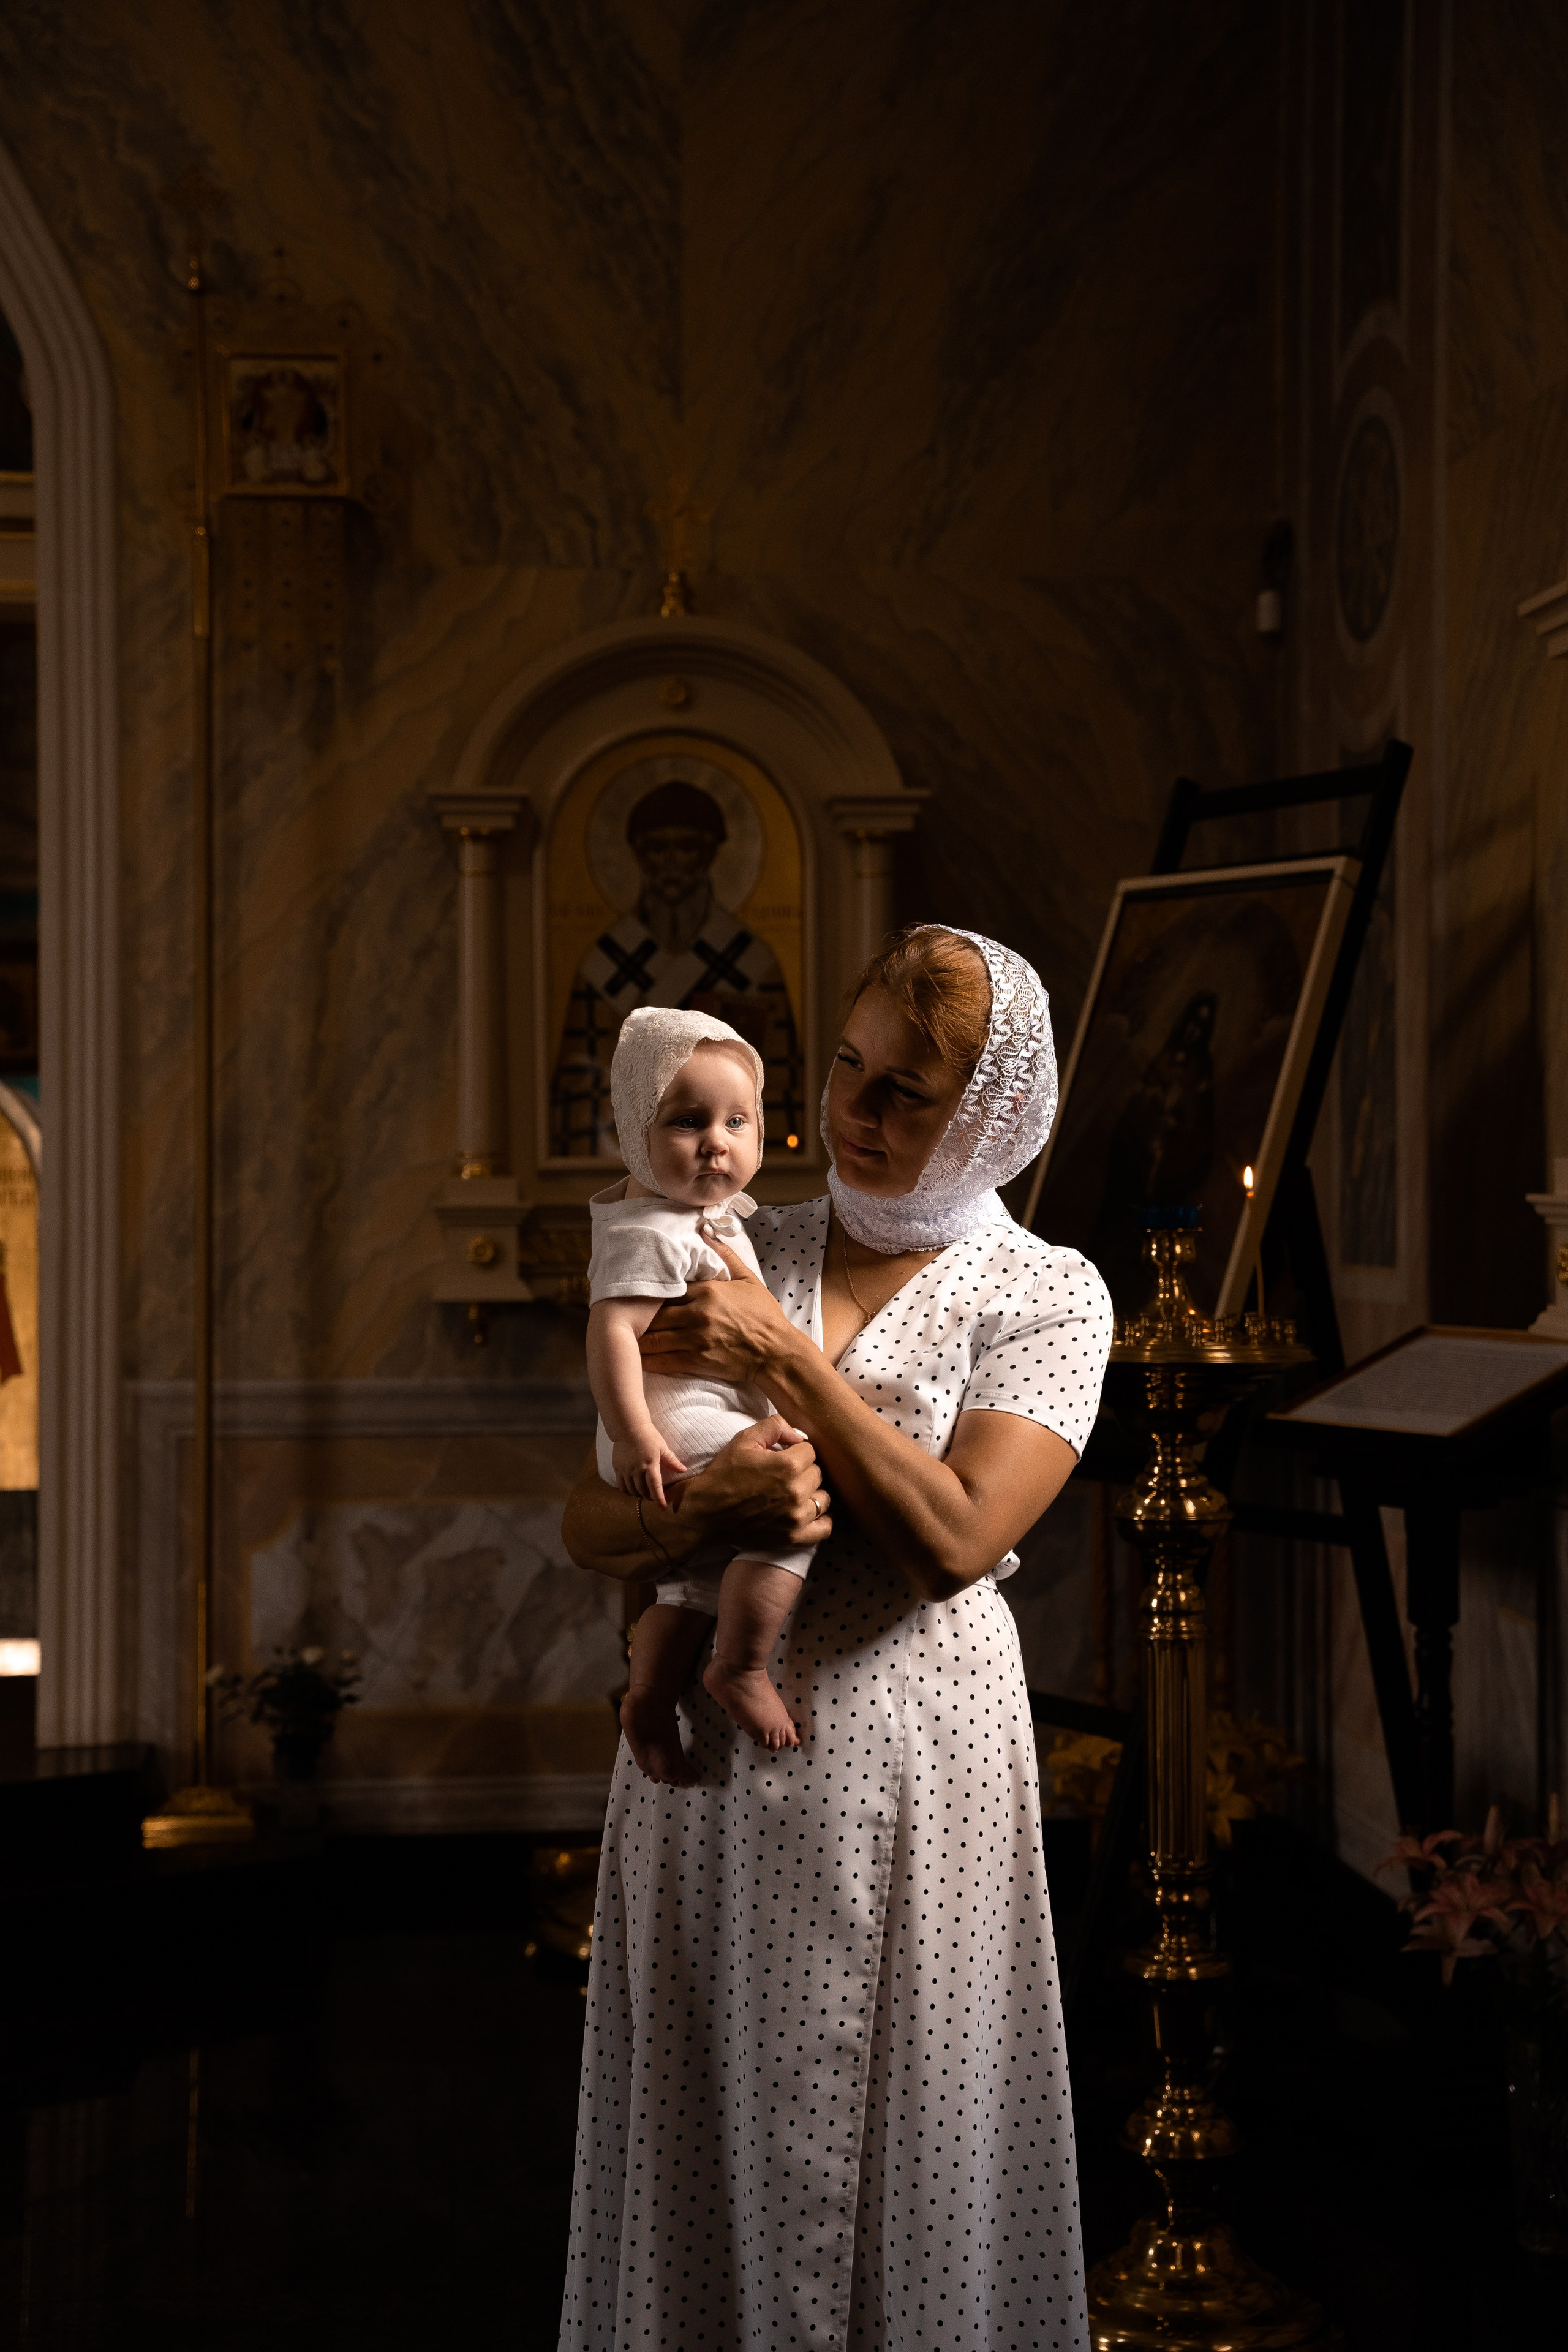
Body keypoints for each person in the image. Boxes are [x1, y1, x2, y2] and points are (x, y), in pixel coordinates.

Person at [557, 923, 1114, 2352]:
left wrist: (785, 1363)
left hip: (920, 1764)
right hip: (710, 1779)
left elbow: (953, 1538)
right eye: (848, 1070)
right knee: (706, 2132)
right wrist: (683, 1537)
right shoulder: (736, 1237)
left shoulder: (1047, 1290)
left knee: (914, 2125)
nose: (854, 1115)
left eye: (905, 1091)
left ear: (987, 1113)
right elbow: (594, 1515)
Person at [587, 1005, 815, 1775]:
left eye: (737, 1121)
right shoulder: (652, 1226)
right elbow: (613, 1330)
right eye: (687, 1121)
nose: (716, 1141)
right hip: (673, 1420)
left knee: (686, 1588)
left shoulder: (697, 1216)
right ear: (636, 1133)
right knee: (794, 1510)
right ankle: (741, 1667)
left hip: (680, 1414)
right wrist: (633, 1436)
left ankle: (649, 1696)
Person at [548, 777, 803, 1158]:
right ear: (637, 855)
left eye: (685, 848)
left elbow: (779, 1086)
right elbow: (580, 1085)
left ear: (709, 854)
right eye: (656, 849)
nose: (669, 863)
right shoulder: (604, 964)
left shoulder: (750, 962)